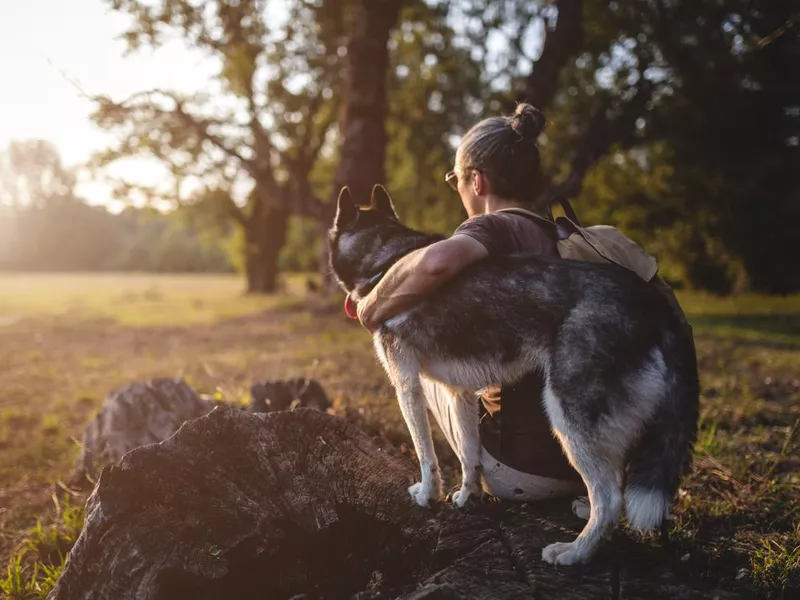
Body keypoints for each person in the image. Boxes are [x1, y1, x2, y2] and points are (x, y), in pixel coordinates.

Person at [356, 103, 586, 501]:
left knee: (411, 362)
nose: (458, 188)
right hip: (581, 461)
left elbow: (436, 263)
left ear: (476, 181)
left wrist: (371, 305)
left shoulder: (493, 226)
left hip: (519, 469)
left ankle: (446, 481)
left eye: (455, 180)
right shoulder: (558, 232)